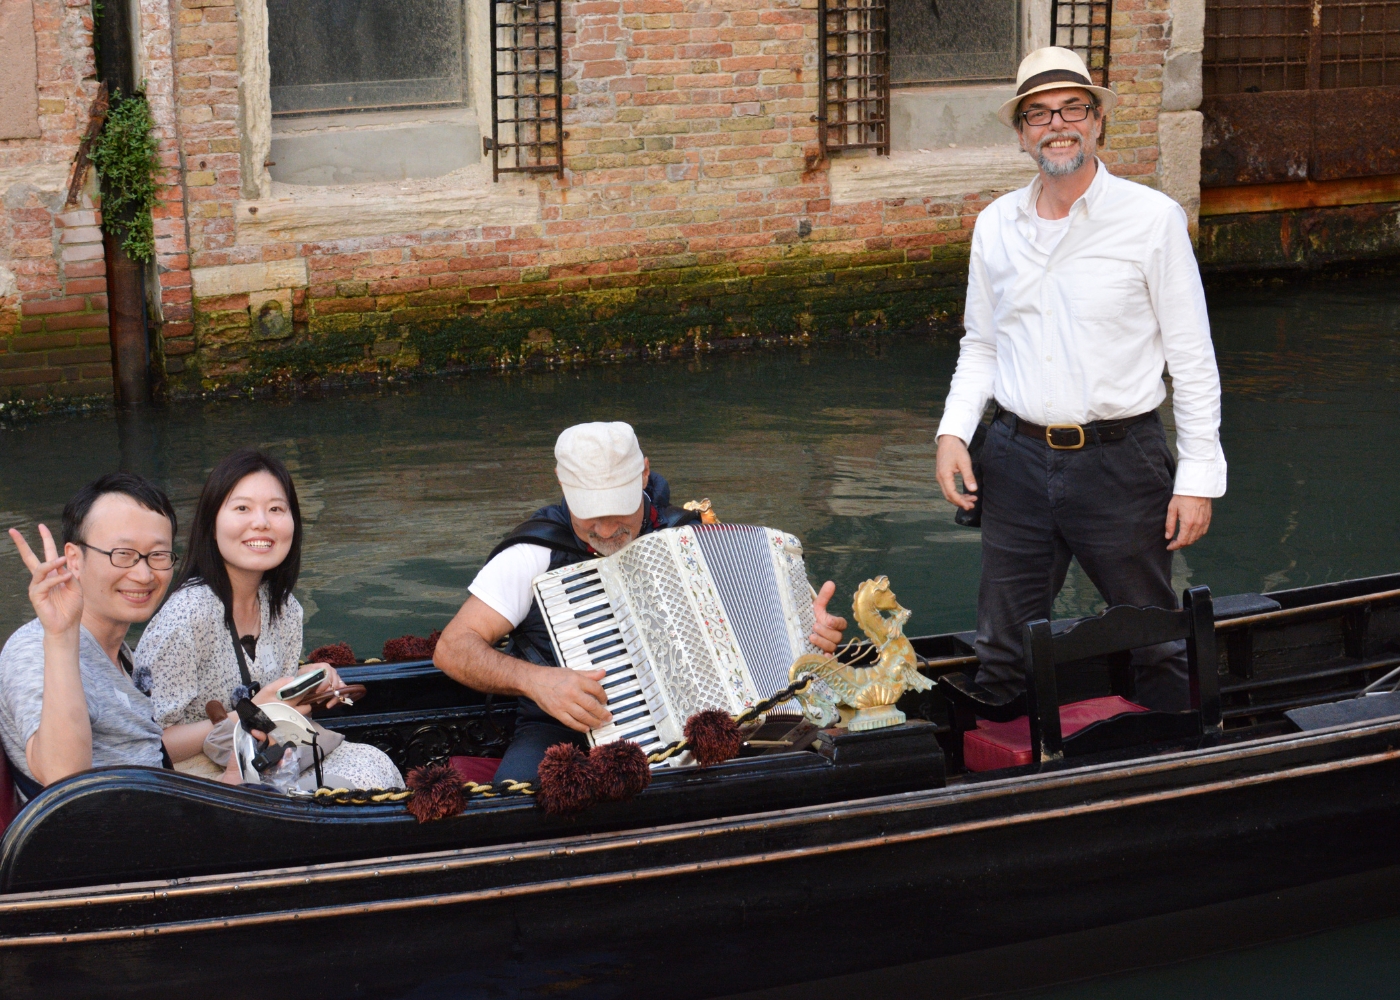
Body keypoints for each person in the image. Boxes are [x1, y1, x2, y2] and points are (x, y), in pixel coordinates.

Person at [933, 47, 1227, 711]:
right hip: (1012, 458)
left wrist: (1198, 479)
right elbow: (980, 344)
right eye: (1038, 113)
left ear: (1096, 122)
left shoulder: (1151, 221)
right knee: (1003, 648)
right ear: (1021, 134)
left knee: (1153, 638)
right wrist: (952, 433)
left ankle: (1175, 774)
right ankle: (1002, 778)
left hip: (1123, 461)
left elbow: (1192, 358)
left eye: (1071, 109)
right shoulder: (995, 227)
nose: (1056, 124)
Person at [435, 421, 850, 782]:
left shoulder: (688, 537)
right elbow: (453, 648)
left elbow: (764, 636)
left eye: (618, 511)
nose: (606, 528)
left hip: (708, 724)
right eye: (590, 515)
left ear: (644, 473)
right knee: (520, 810)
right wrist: (536, 681)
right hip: (563, 727)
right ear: (562, 483)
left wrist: (807, 636)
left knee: (822, 766)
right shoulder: (533, 553)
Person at [135, 448, 402, 791]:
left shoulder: (285, 608)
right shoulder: (185, 616)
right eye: (242, 508)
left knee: (374, 765)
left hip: (273, 757)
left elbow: (281, 711)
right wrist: (253, 712)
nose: (261, 522)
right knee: (352, 790)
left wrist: (305, 682)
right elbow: (151, 747)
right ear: (211, 524)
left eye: (276, 509)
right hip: (199, 780)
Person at [1, 474, 187, 797]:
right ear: (74, 559)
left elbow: (142, 750)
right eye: (123, 554)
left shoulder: (119, 654)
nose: (143, 575)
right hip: (104, 842)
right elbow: (64, 781)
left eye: (158, 555)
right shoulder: (36, 648)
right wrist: (60, 636)